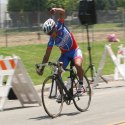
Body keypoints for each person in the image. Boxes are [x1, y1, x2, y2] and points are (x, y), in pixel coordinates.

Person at [37, 8, 85, 93]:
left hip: (74, 50)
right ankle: (62, 93)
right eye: (49, 34)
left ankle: (81, 82)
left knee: (78, 64)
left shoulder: (60, 24)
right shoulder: (51, 40)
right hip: (65, 55)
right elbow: (47, 55)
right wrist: (42, 68)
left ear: (54, 27)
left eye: (51, 32)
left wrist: (55, 9)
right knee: (56, 73)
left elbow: (63, 12)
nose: (51, 35)